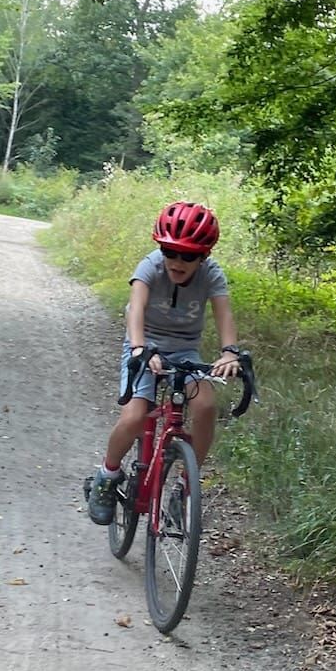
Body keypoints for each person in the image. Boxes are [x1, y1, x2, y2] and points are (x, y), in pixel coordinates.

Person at [84, 200, 242, 526]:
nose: (177, 261)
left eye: (188, 255)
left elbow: (224, 314)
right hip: (145, 344)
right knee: (134, 415)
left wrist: (229, 352)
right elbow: (136, 308)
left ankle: (184, 488)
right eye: (170, 251)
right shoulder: (151, 266)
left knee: (206, 406)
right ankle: (107, 475)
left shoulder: (212, 274)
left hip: (185, 350)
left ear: (204, 255)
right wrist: (141, 348)